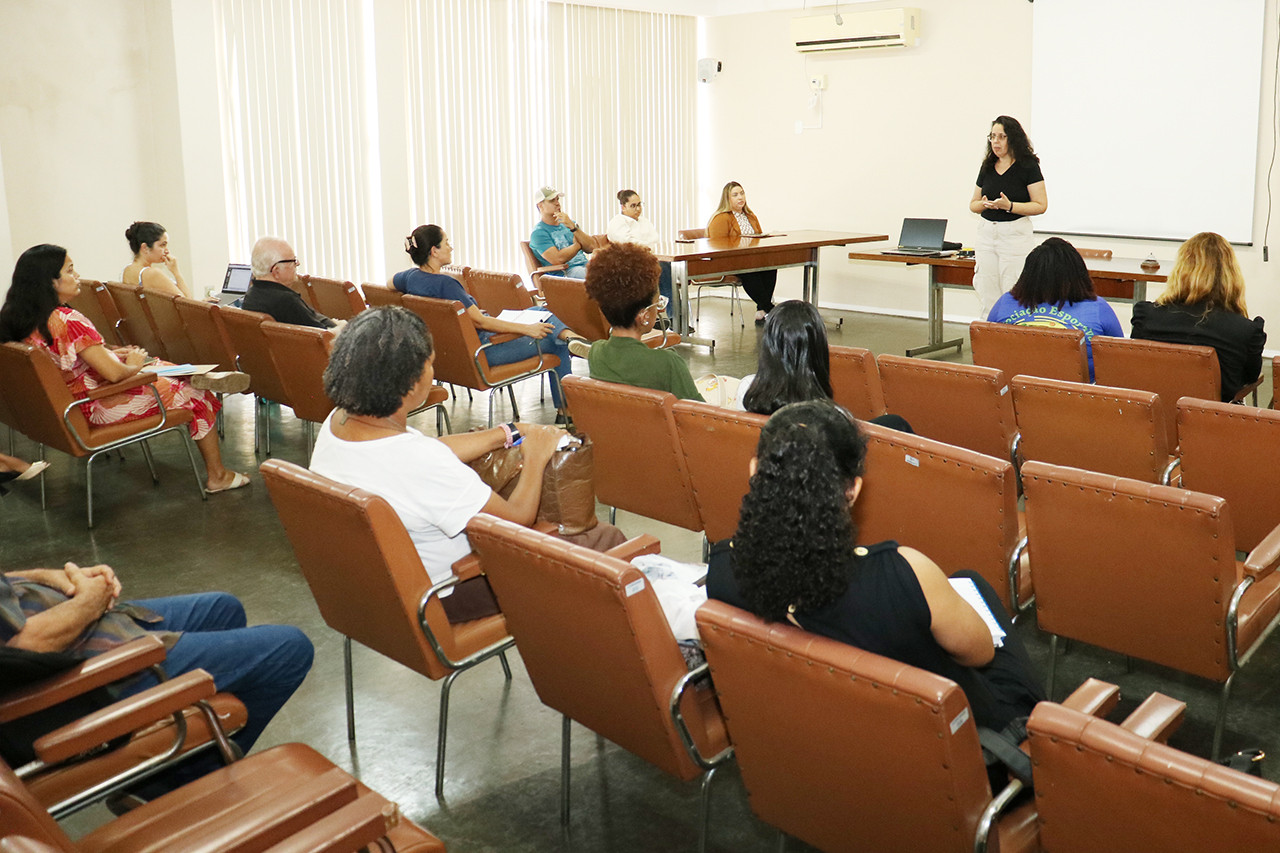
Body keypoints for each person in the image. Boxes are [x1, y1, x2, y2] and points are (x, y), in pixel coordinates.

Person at [706, 400, 1044, 732]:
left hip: (823, 734)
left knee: (968, 581)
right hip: (955, 743)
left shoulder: (722, 569)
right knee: (974, 587)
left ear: (754, 470)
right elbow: (981, 655)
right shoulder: (902, 574)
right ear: (853, 489)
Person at [310, 306, 625, 623]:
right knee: (606, 540)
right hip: (446, 593)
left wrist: (505, 433)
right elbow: (515, 521)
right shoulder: (421, 463)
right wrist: (536, 455)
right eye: (430, 364)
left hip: (375, 589)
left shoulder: (339, 421)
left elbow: (423, 450)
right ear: (409, 381)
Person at [0, 560, 313, 790]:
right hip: (71, 679)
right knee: (290, 650)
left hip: (62, 622)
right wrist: (89, 602)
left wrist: (50, 577)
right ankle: (174, 787)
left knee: (224, 609)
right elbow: (27, 646)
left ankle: (183, 767)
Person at [0, 245, 249, 493]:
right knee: (196, 395)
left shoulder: (18, 318)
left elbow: (63, 357)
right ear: (50, 282)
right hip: (93, 406)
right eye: (71, 270)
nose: (77, 276)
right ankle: (218, 475)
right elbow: (115, 375)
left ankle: (200, 376)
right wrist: (130, 366)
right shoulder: (68, 320)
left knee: (154, 364)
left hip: (61, 408)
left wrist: (107, 354)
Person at [392, 224, 575, 420]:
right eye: (446, 243)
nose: (451, 247)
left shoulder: (410, 278)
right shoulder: (446, 284)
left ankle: (573, 337)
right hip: (485, 351)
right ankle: (566, 412)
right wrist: (527, 329)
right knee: (556, 341)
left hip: (450, 358)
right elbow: (480, 322)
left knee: (539, 311)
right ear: (434, 251)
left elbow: (389, 284)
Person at [735, 300, 912, 432]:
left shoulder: (746, 389)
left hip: (778, 465)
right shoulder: (826, 412)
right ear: (818, 349)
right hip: (820, 464)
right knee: (896, 423)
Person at [1130, 231, 1266, 402]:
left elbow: (1135, 369)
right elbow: (1249, 377)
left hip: (1151, 419)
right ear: (1231, 274)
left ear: (1180, 270)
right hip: (1209, 423)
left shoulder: (1146, 316)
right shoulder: (1244, 331)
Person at [573, 243, 702, 401]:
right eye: (658, 302)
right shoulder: (668, 363)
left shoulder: (596, 353)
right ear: (644, 316)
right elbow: (699, 414)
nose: (660, 307)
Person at [987, 237, 1122, 381]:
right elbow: (1120, 360)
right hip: (1077, 398)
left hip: (1014, 395)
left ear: (1028, 274)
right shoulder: (1098, 308)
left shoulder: (1004, 303)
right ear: (1078, 274)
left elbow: (988, 354)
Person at [968, 116, 1048, 318]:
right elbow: (973, 204)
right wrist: (984, 205)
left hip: (1014, 236)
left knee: (1014, 290)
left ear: (1013, 139)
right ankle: (989, 338)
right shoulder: (987, 166)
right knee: (987, 290)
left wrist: (1009, 206)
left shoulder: (1028, 166)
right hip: (987, 234)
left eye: (1001, 137)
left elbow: (1041, 205)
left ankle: (1013, 339)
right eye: (993, 137)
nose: (996, 142)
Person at [707, 181, 776, 325]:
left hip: (750, 258)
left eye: (742, 193)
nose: (740, 197)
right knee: (749, 270)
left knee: (771, 265)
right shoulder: (721, 218)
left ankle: (762, 309)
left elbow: (758, 238)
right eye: (735, 195)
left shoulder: (750, 216)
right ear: (728, 199)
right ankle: (771, 309)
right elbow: (717, 245)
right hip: (729, 261)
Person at [242, 236, 341, 330]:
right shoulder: (286, 301)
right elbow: (323, 336)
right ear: (276, 271)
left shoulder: (251, 295)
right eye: (292, 261)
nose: (297, 264)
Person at [606, 189, 672, 308]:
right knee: (663, 268)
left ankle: (676, 314)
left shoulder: (644, 221)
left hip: (649, 258)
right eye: (633, 206)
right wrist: (646, 246)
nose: (638, 209)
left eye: (639, 204)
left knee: (671, 267)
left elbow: (655, 240)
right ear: (623, 207)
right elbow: (627, 243)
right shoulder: (617, 222)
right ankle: (674, 316)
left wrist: (647, 247)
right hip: (629, 263)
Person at [530, 186, 598, 280]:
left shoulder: (569, 224)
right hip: (565, 273)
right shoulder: (539, 233)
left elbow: (592, 247)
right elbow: (558, 259)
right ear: (540, 205)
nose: (557, 203)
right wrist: (578, 245)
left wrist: (574, 228)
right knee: (599, 279)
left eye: (557, 199)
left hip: (585, 267)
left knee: (616, 273)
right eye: (551, 201)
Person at [121, 221, 191, 298]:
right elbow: (189, 305)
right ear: (145, 248)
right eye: (163, 245)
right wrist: (176, 272)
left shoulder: (127, 270)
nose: (167, 251)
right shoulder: (153, 274)